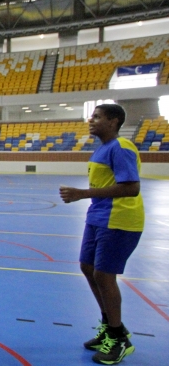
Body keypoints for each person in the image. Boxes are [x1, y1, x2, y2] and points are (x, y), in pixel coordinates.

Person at [60, 103, 142, 365]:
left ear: (114, 121)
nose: (91, 120)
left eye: (97, 117)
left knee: (104, 276)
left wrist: (83, 194)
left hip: (119, 219)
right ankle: (110, 326)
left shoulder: (122, 148)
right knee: (87, 267)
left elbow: (131, 188)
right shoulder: (102, 149)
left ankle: (118, 339)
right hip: (98, 218)